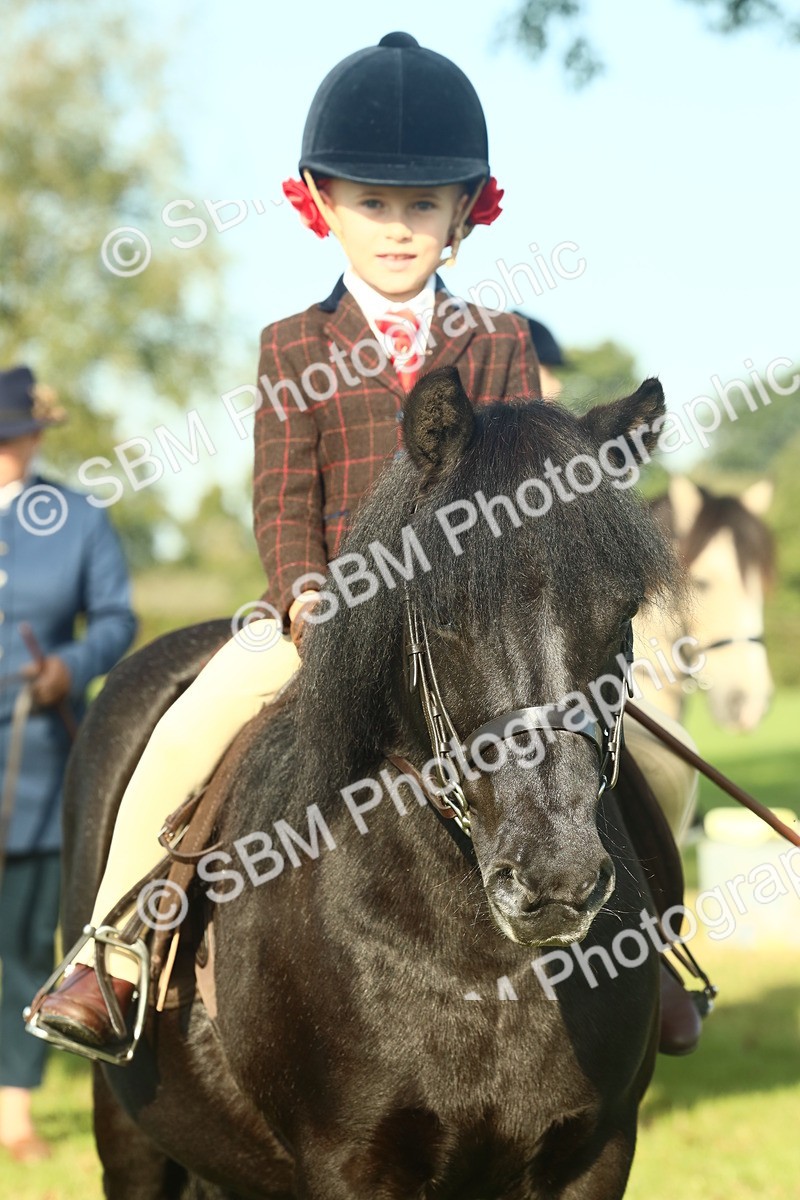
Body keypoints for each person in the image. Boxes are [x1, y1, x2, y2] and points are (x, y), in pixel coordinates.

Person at [31, 32, 700, 1056]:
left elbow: (535, 496)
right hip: (328, 616)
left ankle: (652, 948)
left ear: (463, 213)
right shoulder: (292, 345)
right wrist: (303, 587)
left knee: (643, 746)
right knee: (187, 723)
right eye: (373, 204)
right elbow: (280, 496)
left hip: (478, 626)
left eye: (421, 206)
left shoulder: (500, 340)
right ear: (323, 205)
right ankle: (109, 953)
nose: (397, 228)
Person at [0, 366, 135, 1161]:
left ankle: (13, 1104)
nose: (11, 451)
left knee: (24, 937)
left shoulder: (79, 519)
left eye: (19, 436)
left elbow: (116, 618)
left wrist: (70, 665)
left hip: (39, 757)